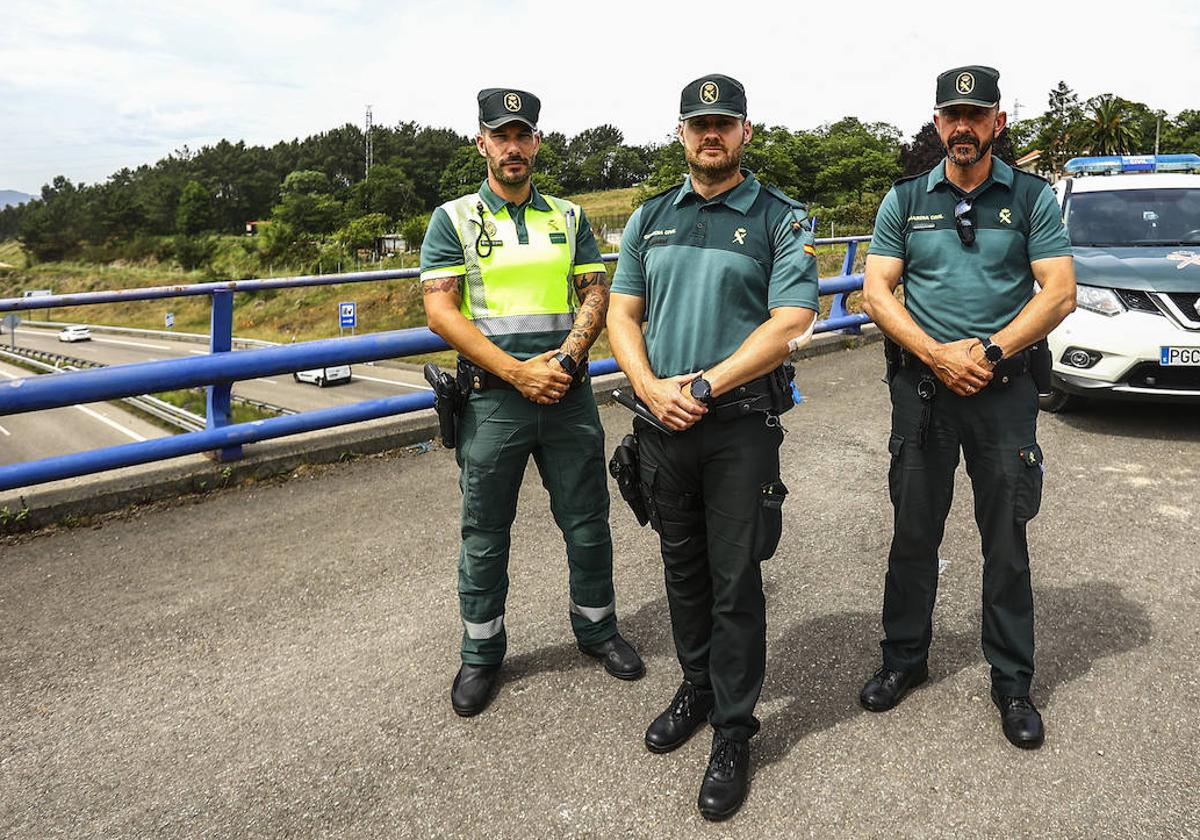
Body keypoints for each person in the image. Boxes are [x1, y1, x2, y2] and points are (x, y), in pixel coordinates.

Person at [607, 74, 818, 821]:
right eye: (700, 123)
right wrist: (650, 386)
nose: (711, 134)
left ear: (745, 133)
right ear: (681, 132)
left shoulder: (777, 219)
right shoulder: (649, 218)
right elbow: (623, 314)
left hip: (736, 427)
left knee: (735, 581)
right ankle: (696, 685)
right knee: (682, 569)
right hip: (660, 422)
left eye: (724, 123)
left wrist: (705, 386)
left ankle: (733, 729)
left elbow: (793, 317)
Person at [859, 65, 1076, 749]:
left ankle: (1012, 680)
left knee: (1006, 539)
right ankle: (903, 660)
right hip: (923, 392)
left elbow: (1058, 292)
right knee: (913, 535)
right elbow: (876, 292)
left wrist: (987, 353)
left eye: (976, 115)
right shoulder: (904, 201)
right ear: (936, 122)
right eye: (951, 115)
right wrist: (938, 355)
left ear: (997, 124)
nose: (962, 127)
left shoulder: (1034, 199)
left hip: (1002, 393)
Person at [420, 88, 643, 718]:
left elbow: (594, 293)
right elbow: (441, 312)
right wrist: (519, 372)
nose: (513, 147)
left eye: (523, 135)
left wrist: (568, 362)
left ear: (537, 142)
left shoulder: (569, 218)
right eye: (501, 135)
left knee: (588, 520)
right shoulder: (454, 218)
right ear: (482, 142)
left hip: (567, 396)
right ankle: (481, 653)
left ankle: (598, 630)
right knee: (485, 534)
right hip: (494, 399)